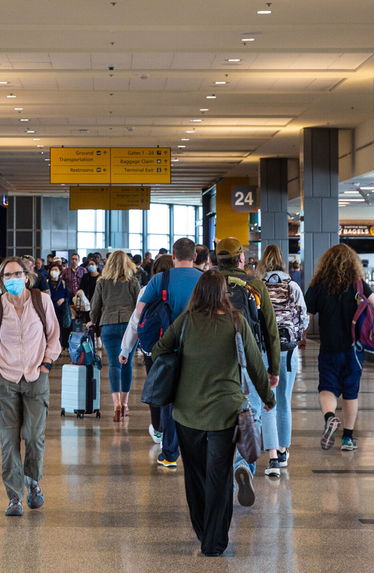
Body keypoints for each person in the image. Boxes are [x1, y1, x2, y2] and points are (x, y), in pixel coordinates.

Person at [151, 270, 274, 557]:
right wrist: (268, 397)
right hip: (225, 412)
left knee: (194, 474)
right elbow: (255, 365)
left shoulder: (185, 322)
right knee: (219, 475)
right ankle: (215, 542)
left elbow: (159, 350)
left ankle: (202, 529)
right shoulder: (236, 322)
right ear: (223, 293)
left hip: (186, 412)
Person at [0, 257, 61, 516]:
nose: (12, 279)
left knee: (34, 437)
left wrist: (46, 364)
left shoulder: (41, 301)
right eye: (7, 276)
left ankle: (33, 481)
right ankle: (14, 497)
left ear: (27, 276)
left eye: (17, 274)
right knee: (8, 441)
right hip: (6, 379)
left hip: (37, 378)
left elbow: (54, 336)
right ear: (1, 281)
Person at [125, 236, 202, 470]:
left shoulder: (161, 279)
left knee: (170, 401)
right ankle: (196, 451)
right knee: (198, 398)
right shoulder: (204, 279)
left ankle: (169, 454)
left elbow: (140, 314)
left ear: (173, 255)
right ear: (195, 256)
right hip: (199, 347)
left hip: (168, 348)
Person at [215, 237, 280, 498]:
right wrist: (273, 368)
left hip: (216, 356)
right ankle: (243, 465)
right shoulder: (254, 284)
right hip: (252, 355)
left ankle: (225, 476)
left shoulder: (208, 283)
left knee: (221, 416)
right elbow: (270, 329)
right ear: (241, 259)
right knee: (250, 412)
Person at [304, 244, 374, 452]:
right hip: (354, 348)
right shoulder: (358, 285)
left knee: (327, 388)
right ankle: (348, 439)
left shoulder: (318, 285)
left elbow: (306, 315)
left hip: (329, 346)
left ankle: (330, 417)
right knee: (350, 392)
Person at [255, 243, 308, 477]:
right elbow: (303, 318)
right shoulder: (293, 286)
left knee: (268, 401)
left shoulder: (257, 287)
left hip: (264, 350)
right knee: (284, 400)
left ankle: (273, 456)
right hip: (288, 351)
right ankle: (284, 449)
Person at [90, 249, 142, 421]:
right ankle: (125, 403)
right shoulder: (132, 281)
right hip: (129, 326)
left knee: (113, 364)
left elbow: (95, 306)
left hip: (109, 325)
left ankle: (116, 403)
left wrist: (94, 321)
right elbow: (139, 304)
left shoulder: (102, 282)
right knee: (127, 362)